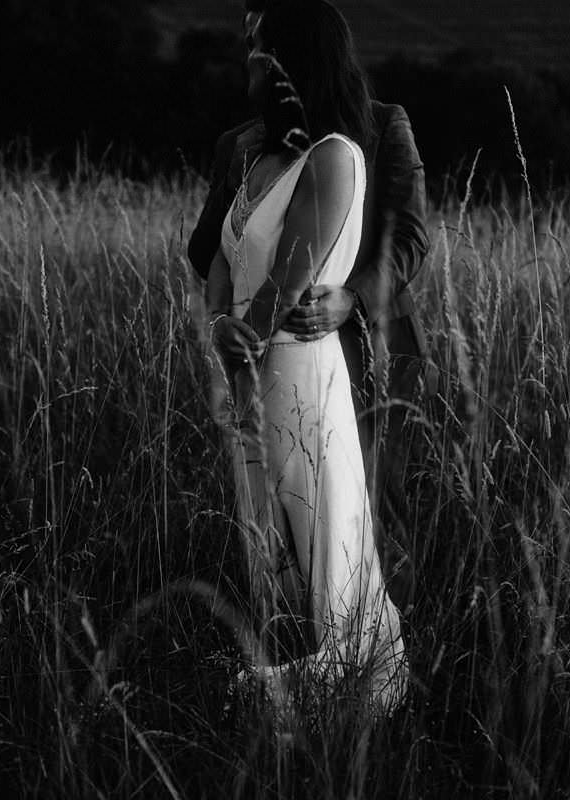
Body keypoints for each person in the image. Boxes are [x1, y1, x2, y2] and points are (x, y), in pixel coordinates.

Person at [194, 0, 417, 717]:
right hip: (255, 367)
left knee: (348, 529)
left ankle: (350, 677)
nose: (247, 60)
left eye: (258, 48)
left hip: (349, 358)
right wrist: (228, 322)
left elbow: (406, 241)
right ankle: (300, 675)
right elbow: (210, 246)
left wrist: (349, 297)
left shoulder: (376, 132)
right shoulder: (244, 145)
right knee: (274, 540)